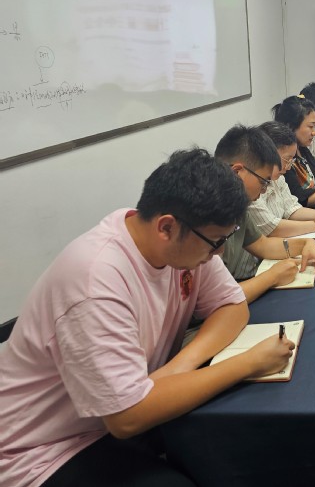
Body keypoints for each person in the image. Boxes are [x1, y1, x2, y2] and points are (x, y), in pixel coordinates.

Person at [0, 149, 296, 487]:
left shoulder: (184, 241)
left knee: (240, 449)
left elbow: (232, 307)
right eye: (215, 242)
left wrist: (177, 368)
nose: (220, 253)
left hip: (118, 416)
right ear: (166, 227)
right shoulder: (95, 280)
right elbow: (126, 417)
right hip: (42, 451)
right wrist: (246, 364)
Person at [214, 124, 315, 300]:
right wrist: (272, 277)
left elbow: (263, 245)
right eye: (263, 182)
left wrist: (305, 244)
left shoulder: (238, 205)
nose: (264, 190)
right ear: (237, 172)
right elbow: (219, 298)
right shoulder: (204, 217)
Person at [249, 121, 315, 238]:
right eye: (287, 160)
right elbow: (271, 228)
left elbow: (292, 209)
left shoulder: (278, 177)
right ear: (268, 154)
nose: (288, 167)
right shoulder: (251, 186)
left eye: (292, 160)